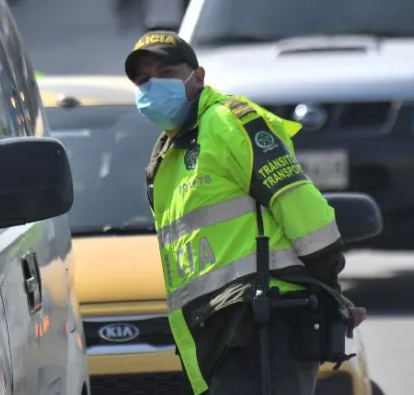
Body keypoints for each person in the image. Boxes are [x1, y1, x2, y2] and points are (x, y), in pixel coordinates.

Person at [123, 31, 366, 395]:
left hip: (264, 325)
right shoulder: (166, 156)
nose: (153, 85)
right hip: (220, 332)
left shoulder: (228, 121)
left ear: (198, 77)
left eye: (167, 72)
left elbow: (300, 204)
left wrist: (328, 286)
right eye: (143, 80)